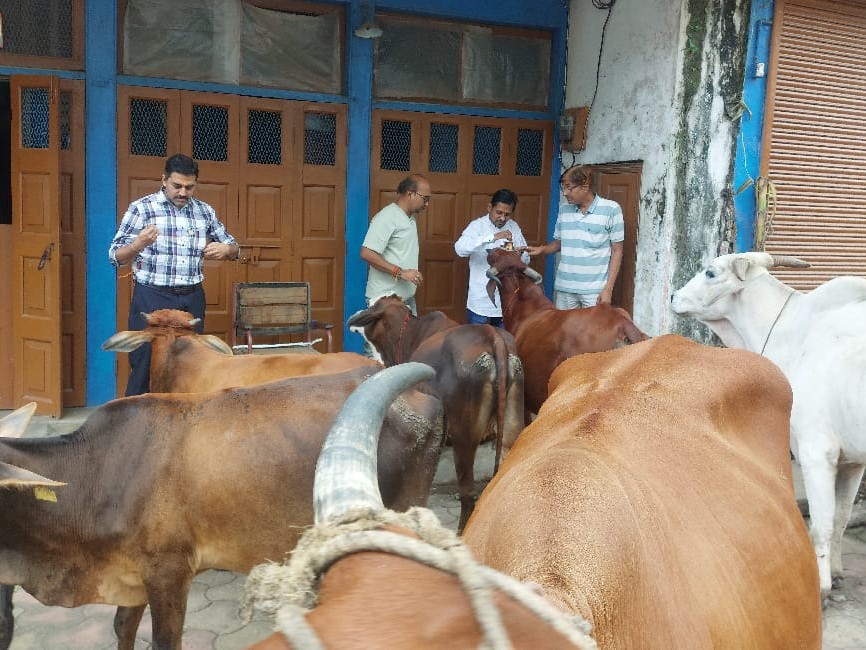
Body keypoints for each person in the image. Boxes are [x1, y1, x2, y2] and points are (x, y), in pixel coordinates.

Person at [109, 153, 239, 396]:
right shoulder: (142, 208)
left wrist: (226, 249)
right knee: (145, 364)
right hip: (152, 299)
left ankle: (182, 422)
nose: (183, 193)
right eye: (177, 186)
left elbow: (234, 247)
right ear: (164, 180)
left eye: (189, 187)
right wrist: (137, 245)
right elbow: (116, 256)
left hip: (191, 299)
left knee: (190, 364)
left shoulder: (204, 211)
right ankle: (137, 426)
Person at [526, 165, 624, 309]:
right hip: (565, 288)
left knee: (592, 331)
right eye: (563, 188)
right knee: (564, 331)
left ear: (584, 186)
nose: (565, 193)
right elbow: (560, 243)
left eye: (569, 188)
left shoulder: (611, 209)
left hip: (594, 292)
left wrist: (608, 289)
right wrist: (542, 250)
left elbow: (617, 251)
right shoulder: (564, 209)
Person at [454, 188, 529, 326]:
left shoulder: (514, 227)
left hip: (506, 299)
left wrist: (520, 254)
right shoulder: (477, 226)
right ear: (490, 207)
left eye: (507, 214)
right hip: (480, 299)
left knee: (503, 342)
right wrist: (491, 238)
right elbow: (460, 249)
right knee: (476, 343)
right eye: (499, 212)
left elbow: (526, 260)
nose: (502, 218)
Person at [360, 173, 429, 315]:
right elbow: (366, 253)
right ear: (410, 194)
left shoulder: (409, 218)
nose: (427, 204)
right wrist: (400, 272)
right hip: (385, 303)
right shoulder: (387, 217)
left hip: (405, 301)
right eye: (425, 199)